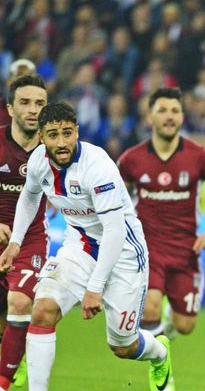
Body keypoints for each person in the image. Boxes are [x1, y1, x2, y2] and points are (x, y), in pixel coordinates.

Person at [0, 102, 174, 391]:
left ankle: (160, 354)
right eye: (53, 135)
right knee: (42, 309)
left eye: (67, 133)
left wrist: (95, 286)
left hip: (123, 253)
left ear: (77, 131)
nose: (62, 142)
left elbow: (115, 231)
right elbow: (29, 197)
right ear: (41, 137)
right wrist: (15, 243)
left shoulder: (98, 166)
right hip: (79, 244)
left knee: (122, 344)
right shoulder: (38, 162)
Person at [118, 87, 205, 340]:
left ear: (181, 117)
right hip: (148, 249)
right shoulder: (131, 159)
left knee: (185, 326)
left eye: (175, 111)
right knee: (151, 306)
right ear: (149, 117)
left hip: (185, 251)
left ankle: (167, 324)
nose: (169, 116)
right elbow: (113, 200)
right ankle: (161, 371)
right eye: (162, 110)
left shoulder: (198, 156)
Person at [0, 74, 48, 391]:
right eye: (25, 102)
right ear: (10, 108)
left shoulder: (55, 148)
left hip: (30, 241)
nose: (33, 110)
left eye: (40, 104)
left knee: (19, 304)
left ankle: (4, 383)